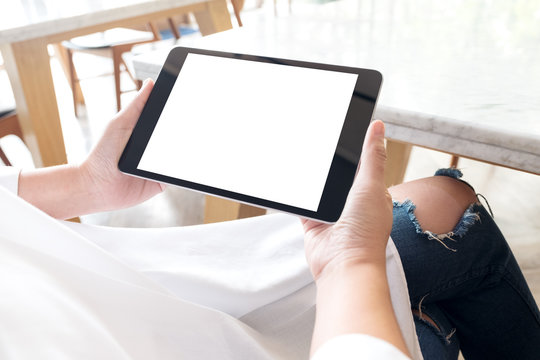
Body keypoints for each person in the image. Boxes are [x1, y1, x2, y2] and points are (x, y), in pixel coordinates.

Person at [0, 80, 538, 359]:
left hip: (144, 290)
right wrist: (348, 262)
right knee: (437, 258)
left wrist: (83, 183)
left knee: (443, 202)